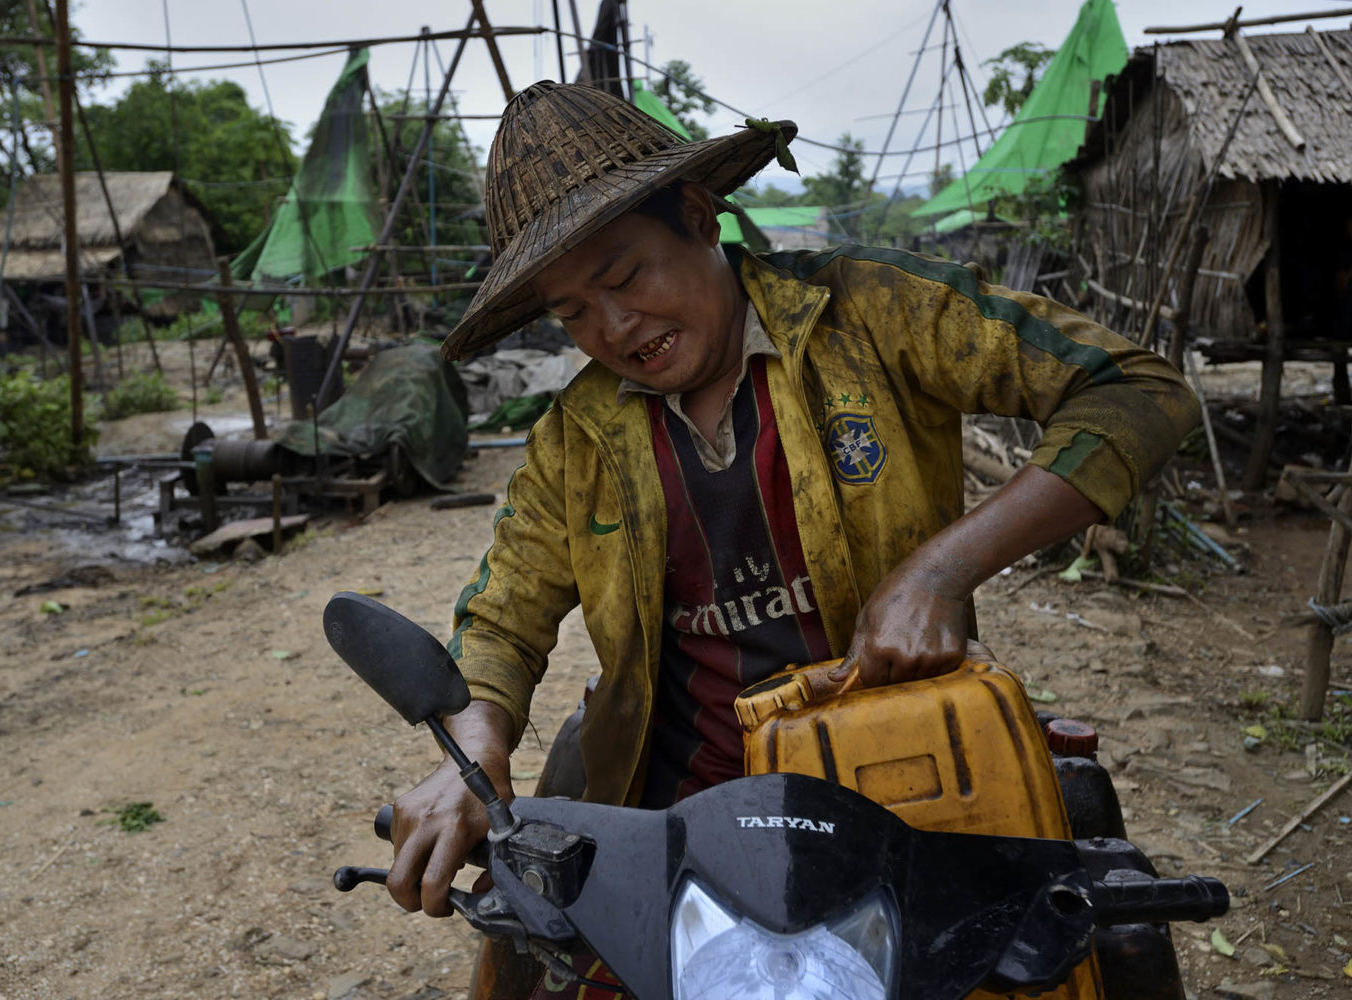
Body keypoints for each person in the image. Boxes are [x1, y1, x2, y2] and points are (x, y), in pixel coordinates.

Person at [386, 81, 1200, 996]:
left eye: (623, 277)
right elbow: (501, 620)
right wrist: (473, 750)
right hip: (679, 813)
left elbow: (1137, 391)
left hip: (895, 786)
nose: (611, 329)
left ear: (700, 217)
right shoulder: (574, 436)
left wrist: (941, 569)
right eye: (571, 312)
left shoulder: (872, 313)